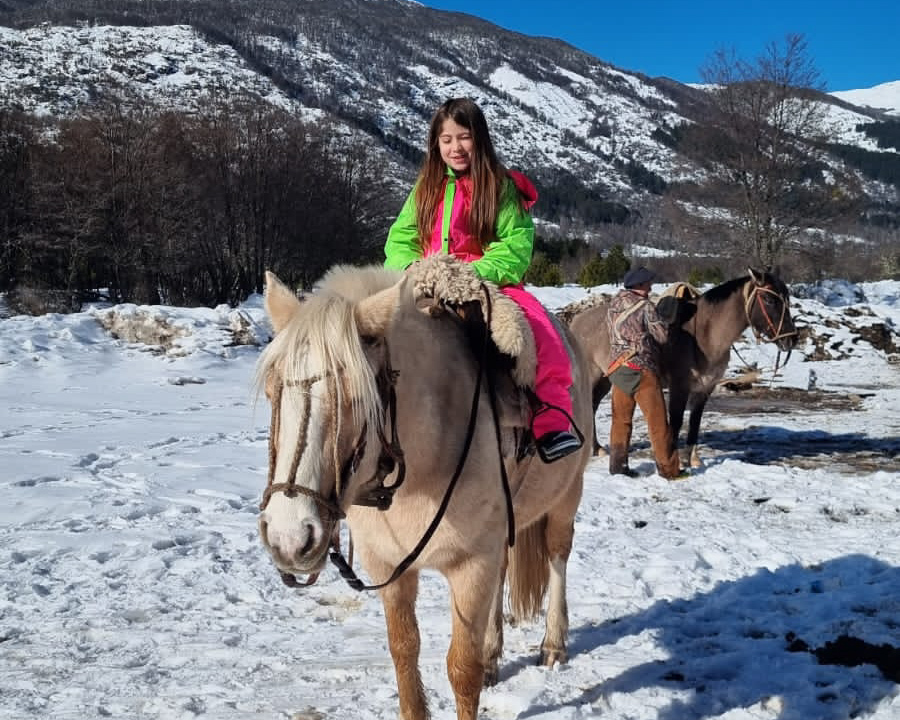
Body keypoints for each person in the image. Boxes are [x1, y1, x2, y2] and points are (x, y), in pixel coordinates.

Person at [384, 97, 582, 463]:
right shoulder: (425, 188)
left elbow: (516, 244)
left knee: (542, 332)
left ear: (480, 138)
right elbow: (400, 239)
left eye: (464, 137)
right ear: (436, 144)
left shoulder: (501, 187)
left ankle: (551, 421)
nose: (455, 147)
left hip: (490, 281)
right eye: (446, 139)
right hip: (427, 279)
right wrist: (414, 268)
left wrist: (472, 273)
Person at [605, 266, 684, 479]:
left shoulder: (613, 304)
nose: (651, 286)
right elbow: (662, 337)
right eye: (648, 283)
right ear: (640, 285)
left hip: (618, 368)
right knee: (658, 423)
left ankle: (617, 467)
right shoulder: (646, 307)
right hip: (642, 371)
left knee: (620, 420)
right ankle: (669, 470)